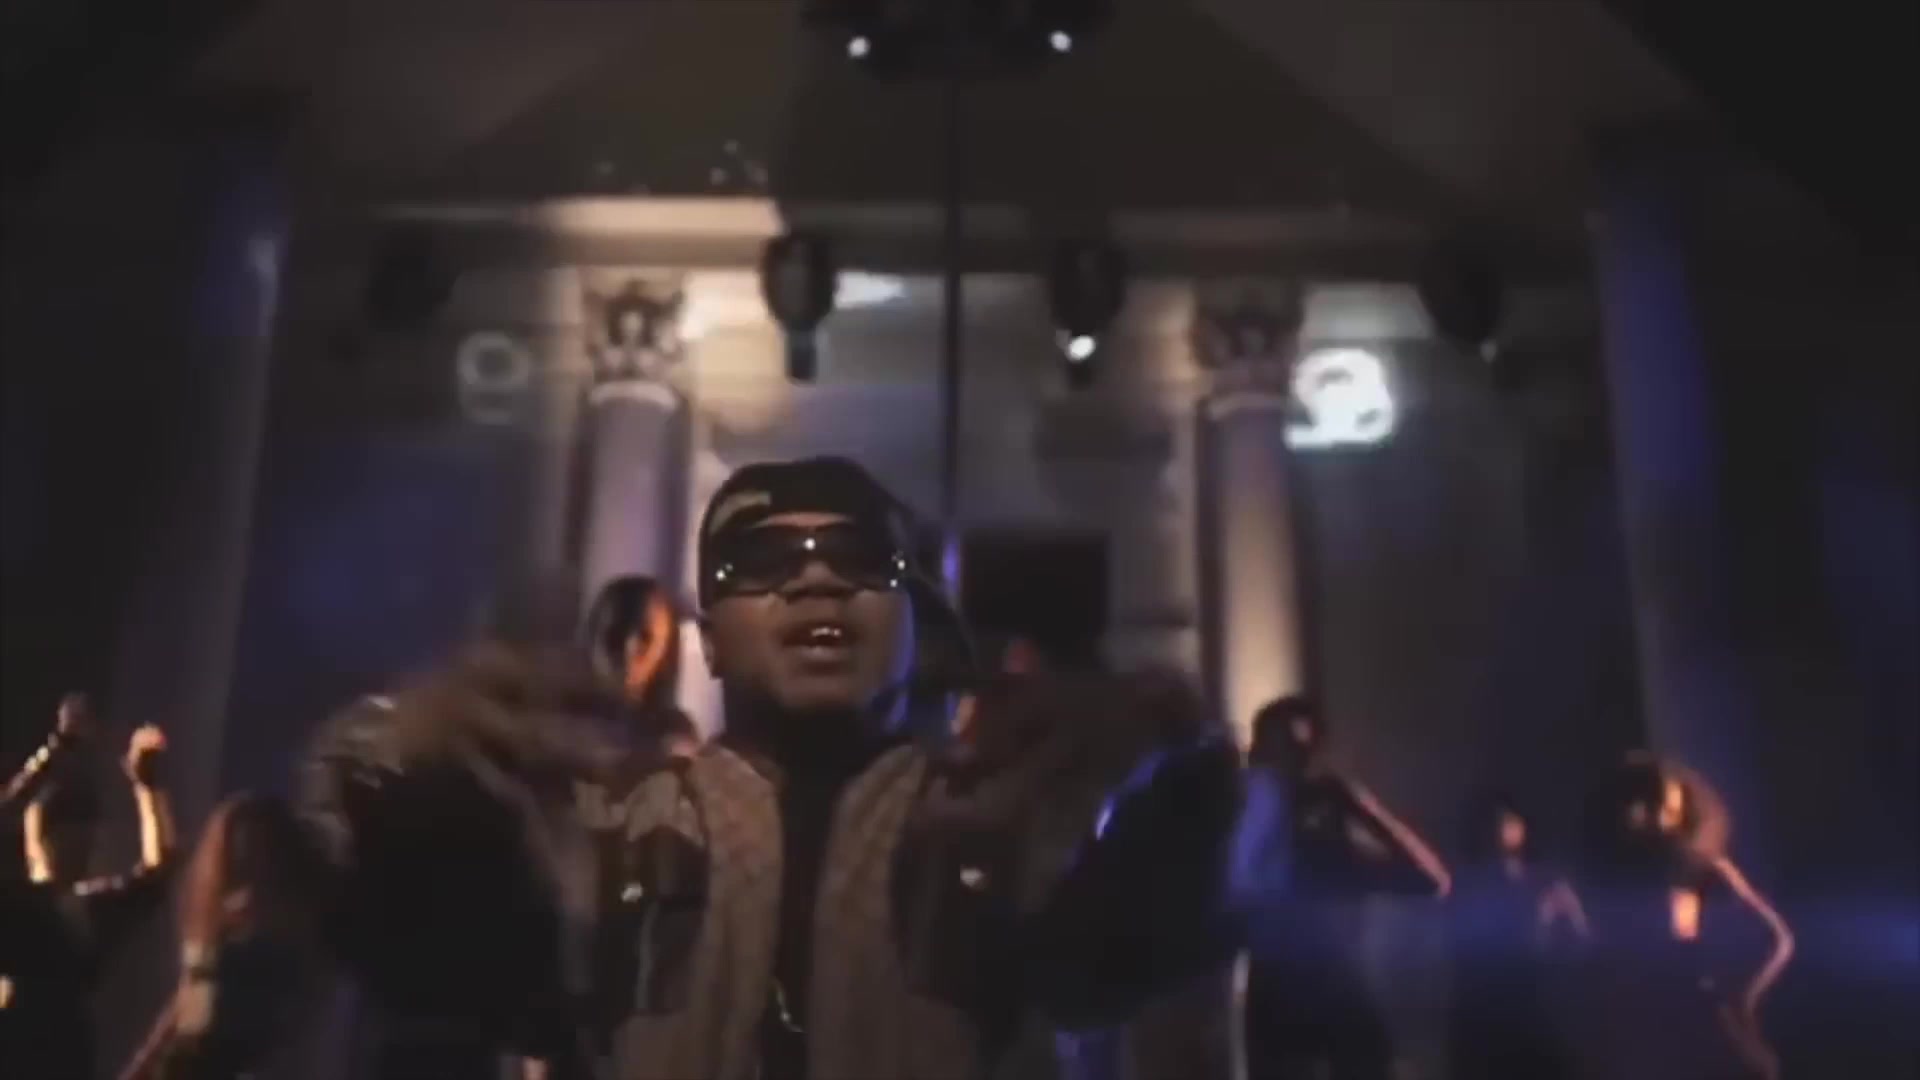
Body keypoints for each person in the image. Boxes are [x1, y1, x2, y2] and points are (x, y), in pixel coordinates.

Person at [186, 456, 1246, 1080]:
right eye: (765, 562)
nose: (819, 581)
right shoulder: (612, 831)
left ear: (913, 625)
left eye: (862, 560)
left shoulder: (1001, 824)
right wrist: (386, 755)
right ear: (711, 638)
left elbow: (1189, 925)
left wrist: (1180, 751)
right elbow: (392, 931)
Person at [1240, 695, 1450, 1080]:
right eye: (1282, 750)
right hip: (1281, 1012)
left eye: (1301, 753)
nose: (1294, 767)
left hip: (1327, 1004)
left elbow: (1430, 880)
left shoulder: (1335, 861)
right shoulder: (1248, 853)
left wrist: (1359, 805)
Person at [1570, 752, 1794, 1080]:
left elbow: (1773, 937)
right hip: (1632, 1013)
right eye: (1652, 807)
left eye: (1672, 812)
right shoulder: (1601, 873)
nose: (1663, 821)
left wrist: (1741, 1000)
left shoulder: (1695, 865)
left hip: (1688, 1005)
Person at [0, 694, 178, 1080]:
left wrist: (147, 787)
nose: (75, 847)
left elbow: (158, 874)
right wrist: (147, 787)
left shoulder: (77, 913)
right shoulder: (47, 912)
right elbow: (159, 872)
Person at [1446, 792, 1587, 1080]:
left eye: (1506, 820)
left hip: (1536, 1012)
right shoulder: (1464, 886)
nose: (1497, 828)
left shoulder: (1546, 885)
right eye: (1490, 821)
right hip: (1480, 1017)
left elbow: (1581, 944)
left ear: (1522, 827)